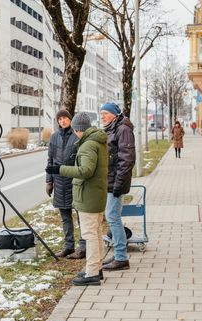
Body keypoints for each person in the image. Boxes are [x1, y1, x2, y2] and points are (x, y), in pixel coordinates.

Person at [46, 112, 108, 286]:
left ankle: (92, 273)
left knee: (90, 234)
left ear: (78, 129)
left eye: (74, 128)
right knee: (95, 233)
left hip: (88, 195)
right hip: (95, 194)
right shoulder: (97, 141)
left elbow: (85, 171)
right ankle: (96, 267)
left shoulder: (88, 145)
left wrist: (61, 170)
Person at [45, 109, 86, 259]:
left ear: (70, 119)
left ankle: (83, 246)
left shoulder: (77, 135)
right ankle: (69, 246)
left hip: (74, 181)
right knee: (65, 216)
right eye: (60, 119)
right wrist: (49, 181)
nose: (63, 121)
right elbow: (50, 160)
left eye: (65, 118)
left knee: (80, 214)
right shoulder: (54, 137)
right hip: (59, 181)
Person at [99, 101, 135, 271]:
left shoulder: (123, 129)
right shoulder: (113, 128)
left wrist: (118, 185)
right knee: (113, 216)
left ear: (114, 114)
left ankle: (121, 257)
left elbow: (126, 160)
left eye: (105, 113)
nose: (102, 116)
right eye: (101, 114)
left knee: (112, 216)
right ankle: (119, 254)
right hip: (111, 181)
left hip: (116, 182)